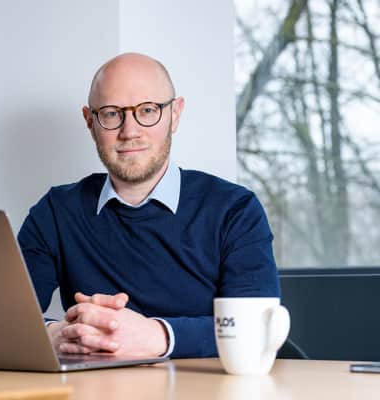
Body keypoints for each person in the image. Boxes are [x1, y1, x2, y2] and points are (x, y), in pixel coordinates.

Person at [17, 53, 280, 358]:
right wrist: (55, 335)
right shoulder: (55, 212)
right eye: (112, 114)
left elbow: (258, 327)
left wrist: (159, 336)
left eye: (147, 110)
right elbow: (2, 318)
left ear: (175, 114)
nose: (130, 131)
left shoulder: (235, 210)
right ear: (90, 121)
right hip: (92, 383)